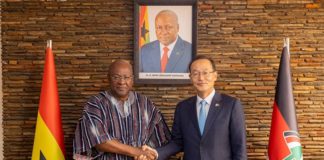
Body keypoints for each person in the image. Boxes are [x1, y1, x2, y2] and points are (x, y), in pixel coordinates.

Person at [143, 55, 247, 160]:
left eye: (205, 73)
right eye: (195, 73)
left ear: (215, 75)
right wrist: (156, 153)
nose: (201, 78)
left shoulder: (231, 105)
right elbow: (177, 142)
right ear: (190, 77)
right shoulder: (182, 108)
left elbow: (239, 147)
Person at [73, 60, 171, 160]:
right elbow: (100, 141)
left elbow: (161, 140)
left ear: (132, 79)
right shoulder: (95, 104)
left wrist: (149, 154)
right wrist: (136, 151)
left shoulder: (145, 104)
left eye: (126, 77)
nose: (122, 82)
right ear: (108, 78)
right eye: (116, 77)